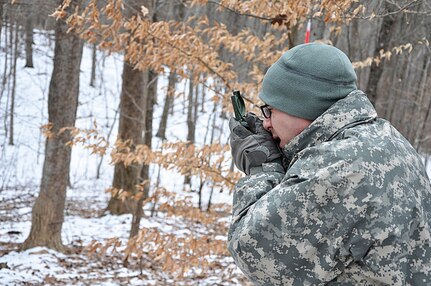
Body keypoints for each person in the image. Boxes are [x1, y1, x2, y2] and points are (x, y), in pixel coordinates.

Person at [228, 43, 431, 285]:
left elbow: (253, 253)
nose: (266, 124)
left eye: (270, 111)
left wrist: (263, 167)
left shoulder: (337, 166)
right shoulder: (385, 137)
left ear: (302, 106)